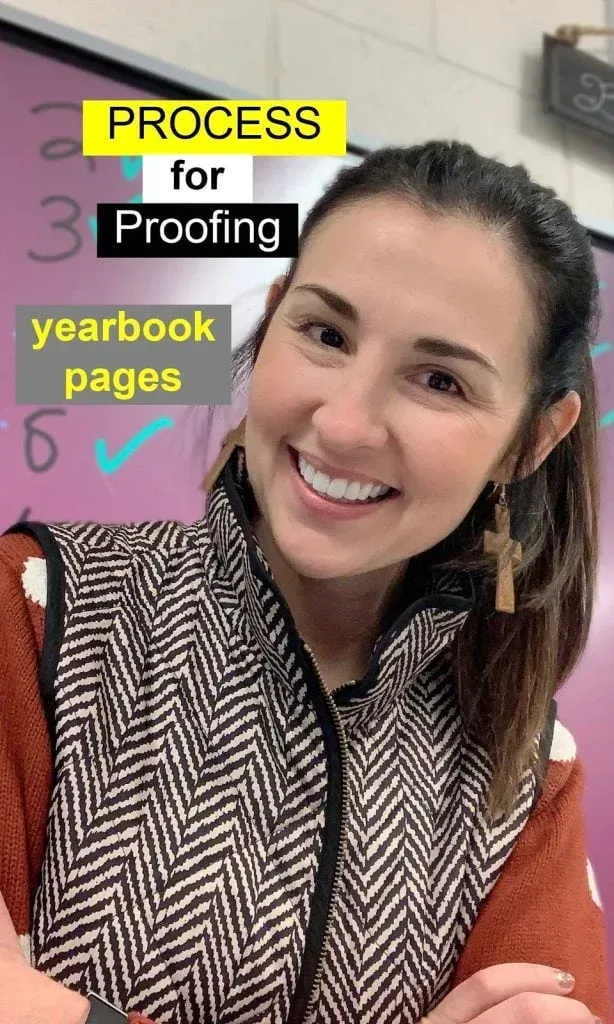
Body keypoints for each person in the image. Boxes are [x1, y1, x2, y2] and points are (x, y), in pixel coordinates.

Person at [0, 140, 609, 1024]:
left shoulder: (526, 764)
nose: (345, 423)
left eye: (439, 379)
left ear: (532, 440)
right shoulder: (38, 606)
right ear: (275, 315)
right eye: (325, 334)